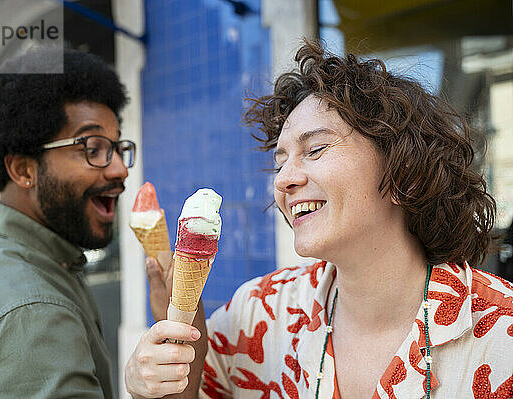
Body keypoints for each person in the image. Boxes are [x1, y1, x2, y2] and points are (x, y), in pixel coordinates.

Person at [124, 40, 513, 398]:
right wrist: (158, 372)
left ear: (405, 172)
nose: (284, 180)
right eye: (280, 161)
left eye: (316, 149)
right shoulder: (260, 312)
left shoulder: (500, 332)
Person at [0, 47, 135, 398]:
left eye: (117, 147)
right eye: (92, 148)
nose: (120, 168)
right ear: (23, 170)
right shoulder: (31, 316)